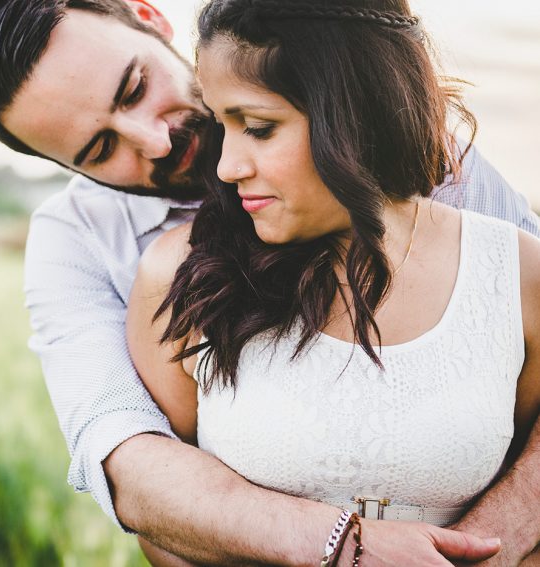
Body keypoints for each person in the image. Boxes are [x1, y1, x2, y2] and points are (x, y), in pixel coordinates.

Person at [0, 0, 540, 564]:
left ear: (150, 18)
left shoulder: (408, 150)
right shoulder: (79, 243)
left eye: (135, 88)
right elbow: (128, 457)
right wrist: (346, 549)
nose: (156, 140)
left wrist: (484, 548)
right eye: (102, 149)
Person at [126, 0, 540, 565]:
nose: (226, 167)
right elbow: (164, 526)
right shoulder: (182, 278)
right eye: (223, 125)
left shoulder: (517, 273)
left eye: (259, 127)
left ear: (355, 110)